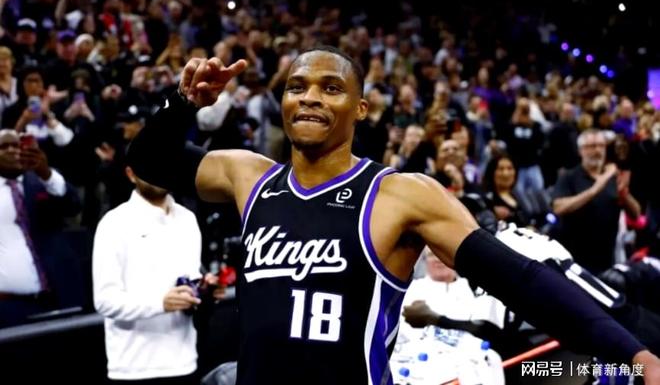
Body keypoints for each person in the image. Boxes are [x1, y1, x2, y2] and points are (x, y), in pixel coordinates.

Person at [128, 47, 660, 385]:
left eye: (331, 88)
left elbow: (521, 281)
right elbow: (147, 161)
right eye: (297, 86)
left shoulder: (399, 195)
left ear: (360, 109)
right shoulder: (249, 176)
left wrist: (634, 355)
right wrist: (182, 105)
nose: (309, 98)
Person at [92, 161, 204, 384]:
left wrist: (206, 291)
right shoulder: (113, 223)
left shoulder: (188, 219)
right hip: (134, 368)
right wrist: (160, 303)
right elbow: (105, 301)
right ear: (131, 174)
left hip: (186, 362)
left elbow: (190, 284)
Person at [0, 128, 81, 328]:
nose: (12, 150)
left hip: (56, 297)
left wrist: (46, 174)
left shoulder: (43, 180)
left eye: (16, 145)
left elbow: (73, 206)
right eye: (4, 146)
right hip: (7, 305)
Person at [552, 129, 641, 274]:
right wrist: (595, 189)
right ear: (580, 150)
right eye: (591, 146)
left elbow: (636, 214)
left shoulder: (614, 177)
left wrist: (625, 196)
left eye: (601, 145)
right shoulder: (569, 176)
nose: (597, 150)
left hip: (606, 256)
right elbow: (558, 208)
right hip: (574, 257)